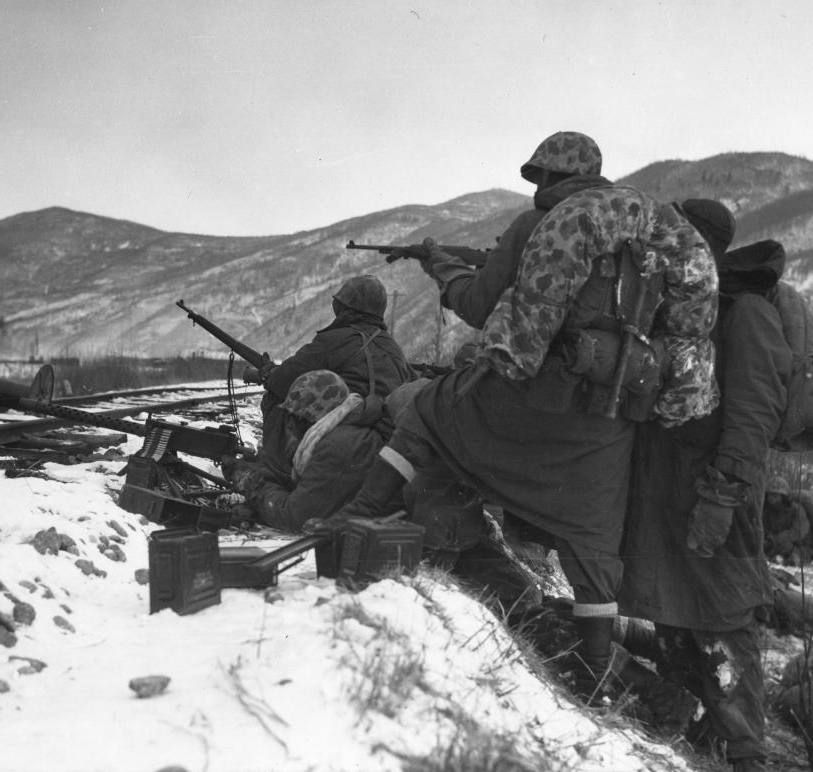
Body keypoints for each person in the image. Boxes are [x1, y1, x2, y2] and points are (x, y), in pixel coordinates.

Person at [314, 182, 721, 703]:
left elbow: (484, 308)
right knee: (593, 543)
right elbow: (682, 354)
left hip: (534, 398)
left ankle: (361, 511)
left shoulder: (546, 229)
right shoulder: (677, 265)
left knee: (429, 412)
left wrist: (444, 269)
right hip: (605, 426)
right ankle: (594, 670)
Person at [618, 229, 793, 772]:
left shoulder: (744, 314)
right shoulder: (686, 304)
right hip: (671, 490)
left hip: (718, 493)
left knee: (723, 615)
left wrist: (722, 495)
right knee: (675, 612)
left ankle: (747, 755)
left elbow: (754, 415)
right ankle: (700, 743)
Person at [400, 131, 612, 329]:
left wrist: (442, 265)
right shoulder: (620, 229)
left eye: (539, 178)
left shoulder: (535, 225)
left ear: (547, 175)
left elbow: (476, 307)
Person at [258, 275, 414, 481]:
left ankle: (277, 474)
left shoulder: (333, 340)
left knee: (275, 398)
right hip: (387, 439)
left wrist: (269, 373)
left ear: (345, 309)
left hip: (342, 435)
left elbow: (281, 382)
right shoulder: (393, 348)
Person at [223, 370, 399, 532]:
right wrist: (262, 468)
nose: (291, 425)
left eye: (297, 417)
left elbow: (294, 517)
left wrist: (252, 484)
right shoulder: (346, 430)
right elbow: (311, 486)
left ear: (314, 416)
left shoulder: (340, 445)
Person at [763, 474, 813, 565]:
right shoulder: (767, 511)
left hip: (802, 548)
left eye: (775, 495)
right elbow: (763, 528)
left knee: (791, 558)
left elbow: (798, 531)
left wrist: (775, 540)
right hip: (778, 546)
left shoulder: (796, 509)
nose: (771, 498)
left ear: (783, 496)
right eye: (769, 495)